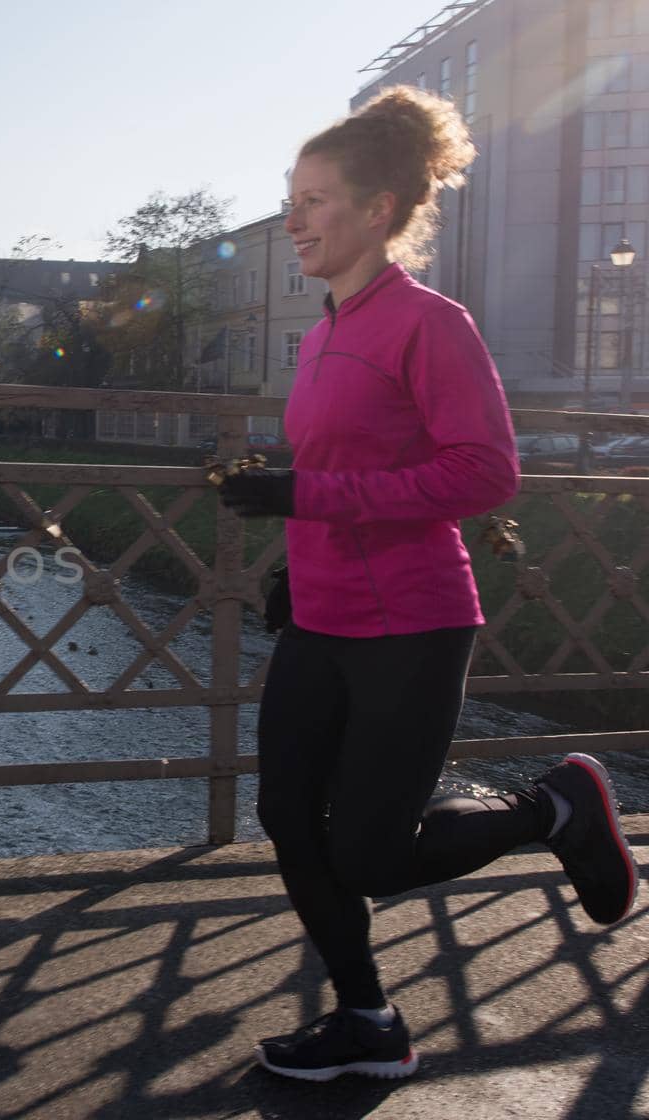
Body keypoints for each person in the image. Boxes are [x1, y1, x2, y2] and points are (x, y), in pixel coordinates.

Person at [217, 86, 640, 1083]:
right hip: (320, 619)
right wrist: (291, 557)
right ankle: (366, 1019)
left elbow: (486, 473)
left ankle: (553, 807)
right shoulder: (319, 333)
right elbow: (341, 477)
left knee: (367, 852)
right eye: (291, 197)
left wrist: (307, 494)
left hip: (411, 620)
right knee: (286, 814)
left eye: (314, 199)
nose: (294, 218)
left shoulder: (429, 324)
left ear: (376, 210)